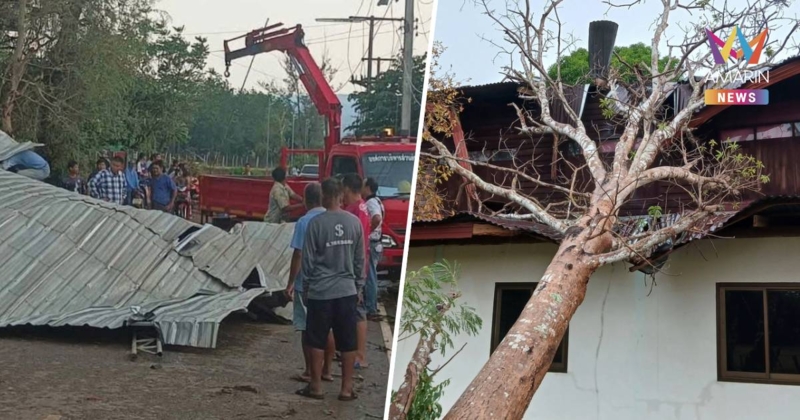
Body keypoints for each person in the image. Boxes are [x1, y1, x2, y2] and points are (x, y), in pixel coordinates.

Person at [297, 177, 364, 401]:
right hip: (346, 291)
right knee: (347, 341)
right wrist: (359, 288)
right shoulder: (354, 223)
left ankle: (315, 386)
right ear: (341, 196)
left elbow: (307, 262)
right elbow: (359, 259)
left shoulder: (315, 224)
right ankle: (346, 389)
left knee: (316, 338)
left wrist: (305, 288)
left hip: (320, 292)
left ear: (324, 196)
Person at [286, 183, 335, 384]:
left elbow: (298, 253)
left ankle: (309, 371)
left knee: (308, 328)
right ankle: (328, 370)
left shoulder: (304, 222)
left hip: (307, 282)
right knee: (328, 328)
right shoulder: (333, 219)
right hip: (330, 281)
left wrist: (290, 282)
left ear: (306, 200)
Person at [342, 173, 371, 369]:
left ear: (348, 189)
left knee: (359, 311)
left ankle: (360, 355)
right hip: (353, 264)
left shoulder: (357, 211)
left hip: (356, 265)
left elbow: (358, 244)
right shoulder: (356, 208)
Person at [362, 177, 384, 320]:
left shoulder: (370, 203)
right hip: (376, 242)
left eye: (363, 186)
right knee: (371, 275)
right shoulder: (378, 201)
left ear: (368, 187)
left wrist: (367, 231)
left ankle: (371, 308)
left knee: (370, 277)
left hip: (372, 242)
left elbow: (376, 218)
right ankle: (370, 306)